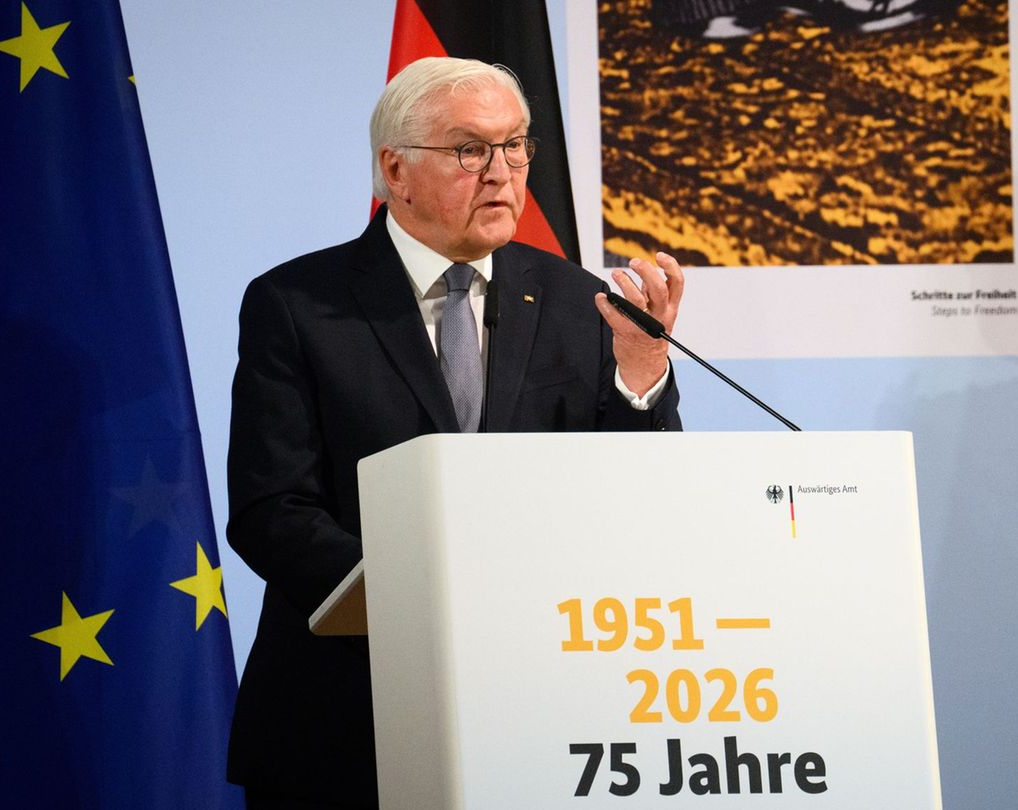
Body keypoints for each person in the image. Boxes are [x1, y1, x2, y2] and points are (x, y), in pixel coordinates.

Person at [225, 57, 684, 808]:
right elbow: (271, 509)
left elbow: (636, 494)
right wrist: (421, 599)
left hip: (542, 715)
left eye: (516, 146)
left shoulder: (577, 298)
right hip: (348, 712)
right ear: (395, 169)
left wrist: (640, 377)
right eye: (471, 149)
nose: (501, 172)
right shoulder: (299, 304)